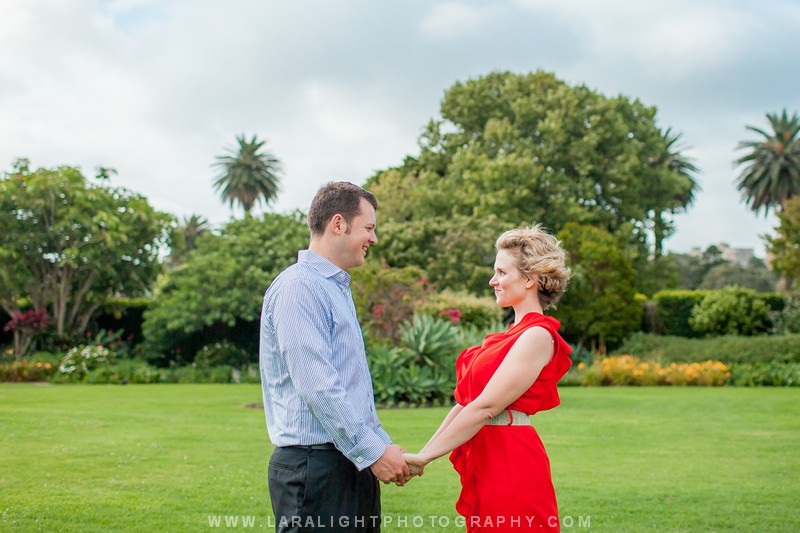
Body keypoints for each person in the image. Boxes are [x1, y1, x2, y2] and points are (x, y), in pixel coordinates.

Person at [259, 181, 410, 533]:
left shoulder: (334, 288)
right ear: (338, 224)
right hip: (315, 470)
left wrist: (384, 447)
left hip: (347, 462)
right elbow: (319, 387)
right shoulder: (299, 287)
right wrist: (374, 452)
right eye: (369, 228)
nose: (373, 238)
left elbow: (349, 387)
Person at [404, 224, 573, 532]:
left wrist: (424, 458)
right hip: (490, 456)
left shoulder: (536, 335)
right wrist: (422, 456)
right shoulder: (510, 335)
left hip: (511, 460)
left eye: (501, 272)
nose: (492, 280)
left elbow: (486, 407)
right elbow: (465, 405)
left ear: (530, 279)